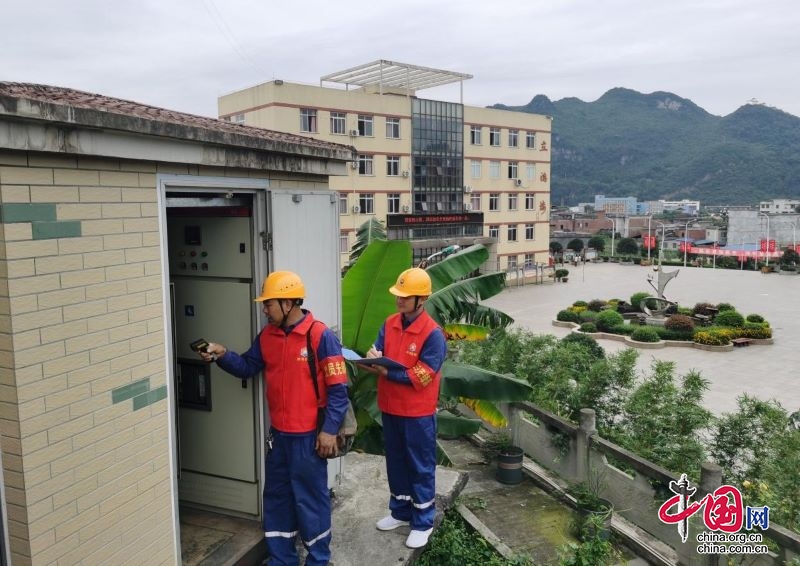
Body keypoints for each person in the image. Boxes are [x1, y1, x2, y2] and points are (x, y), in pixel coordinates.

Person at [198, 270, 348, 566]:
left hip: (308, 438)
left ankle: (318, 559)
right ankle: (282, 559)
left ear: (289, 303)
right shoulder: (267, 335)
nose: (264, 310)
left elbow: (339, 390)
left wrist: (329, 431)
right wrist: (222, 354)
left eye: (269, 304)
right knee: (277, 498)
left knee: (311, 500)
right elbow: (247, 366)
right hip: (278, 437)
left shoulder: (319, 335)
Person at [362, 267, 447, 549]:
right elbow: (377, 348)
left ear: (420, 300)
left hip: (418, 414)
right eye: (398, 295)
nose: (399, 300)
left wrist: (386, 373)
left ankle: (423, 522)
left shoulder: (433, 334)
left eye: (405, 296)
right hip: (391, 408)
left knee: (420, 466)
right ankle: (400, 512)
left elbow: (423, 375)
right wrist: (372, 356)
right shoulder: (390, 323)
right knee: (396, 463)